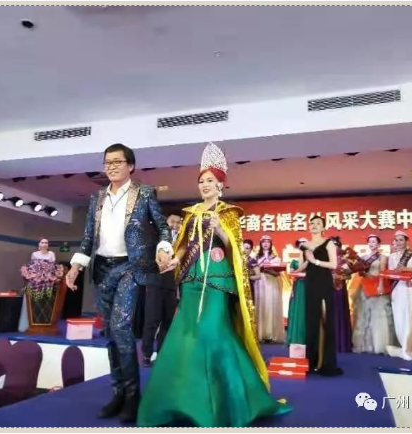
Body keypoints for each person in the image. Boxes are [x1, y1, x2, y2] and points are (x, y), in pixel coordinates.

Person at [137, 143, 291, 427]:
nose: (205, 185)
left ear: (220, 184)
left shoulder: (229, 213)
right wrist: (173, 261)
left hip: (218, 280)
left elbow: (236, 250)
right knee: (187, 335)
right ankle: (182, 402)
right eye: (201, 181)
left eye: (210, 180)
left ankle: (230, 401)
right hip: (192, 280)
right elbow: (184, 246)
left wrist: (220, 228)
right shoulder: (191, 213)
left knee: (213, 332)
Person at [66, 143, 173, 423]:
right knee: (109, 333)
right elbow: (88, 236)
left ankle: (133, 396)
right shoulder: (97, 197)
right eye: (107, 162)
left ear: (130, 165)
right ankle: (118, 393)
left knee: (121, 328)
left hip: (130, 266)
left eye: (117, 162)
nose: (111, 167)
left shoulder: (144, 193)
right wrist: (76, 266)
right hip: (102, 268)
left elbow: (162, 227)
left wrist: (164, 248)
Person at [303, 216, 343, 376]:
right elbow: (302, 266)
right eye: (312, 223)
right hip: (310, 283)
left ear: (323, 228)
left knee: (325, 320)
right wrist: (303, 263)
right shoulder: (305, 244)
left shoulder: (329, 243)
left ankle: (325, 362)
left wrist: (315, 261)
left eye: (318, 223)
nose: (314, 225)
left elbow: (333, 264)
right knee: (311, 320)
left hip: (323, 283)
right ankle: (311, 361)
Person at [141, 213, 182, 367]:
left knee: (167, 321)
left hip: (172, 286)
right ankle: (146, 354)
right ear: (166, 222)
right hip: (155, 284)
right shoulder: (157, 238)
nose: (175, 225)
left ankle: (162, 353)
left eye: (178, 222)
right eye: (172, 222)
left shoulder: (182, 241)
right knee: (151, 320)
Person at [386, 231, 412, 360]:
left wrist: (409, 270)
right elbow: (391, 274)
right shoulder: (392, 256)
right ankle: (405, 345)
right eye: (396, 240)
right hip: (398, 289)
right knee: (400, 316)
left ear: (406, 241)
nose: (399, 242)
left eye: (401, 240)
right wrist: (396, 273)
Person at [352, 234, 396, 354]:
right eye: (370, 241)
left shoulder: (382, 257)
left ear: (379, 244)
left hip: (377, 285)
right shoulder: (364, 257)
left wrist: (380, 285)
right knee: (364, 315)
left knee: (379, 315)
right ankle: (365, 345)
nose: (371, 244)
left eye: (374, 241)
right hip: (365, 286)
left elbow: (382, 271)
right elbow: (360, 272)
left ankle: (379, 345)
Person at [255, 235, 285, 343]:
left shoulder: (276, 258)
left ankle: (272, 335)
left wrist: (270, 270)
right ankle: (260, 334)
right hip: (260, 282)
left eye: (268, 242)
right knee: (261, 306)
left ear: (271, 244)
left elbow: (278, 273)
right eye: (264, 242)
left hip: (271, 283)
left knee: (271, 306)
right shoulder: (256, 257)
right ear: (261, 244)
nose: (266, 244)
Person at [330, 236, 353, 353]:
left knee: (339, 313)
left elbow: (348, 276)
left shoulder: (344, 260)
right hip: (326, 289)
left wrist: (339, 276)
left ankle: (340, 343)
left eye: (334, 246)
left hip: (339, 289)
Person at [286, 238, 308, 348]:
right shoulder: (294, 261)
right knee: (298, 310)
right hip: (298, 286)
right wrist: (295, 273)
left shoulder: (312, 259)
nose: (302, 246)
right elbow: (291, 274)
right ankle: (297, 338)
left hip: (309, 286)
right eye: (300, 244)